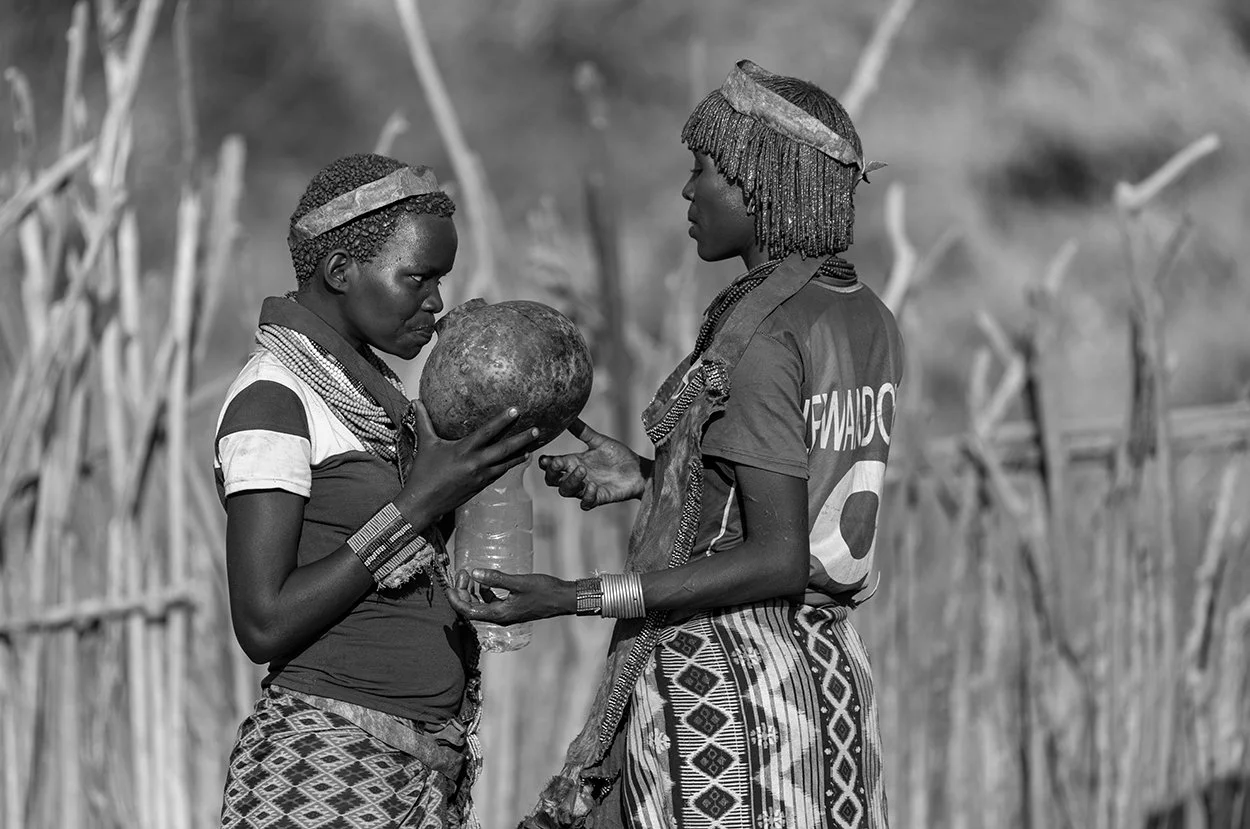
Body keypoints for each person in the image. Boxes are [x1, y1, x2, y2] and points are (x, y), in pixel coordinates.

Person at [449, 60, 903, 828]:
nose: (688, 192)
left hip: (730, 701)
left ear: (758, 181)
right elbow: (785, 485)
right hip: (825, 689)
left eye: (702, 170)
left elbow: (775, 554)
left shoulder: (761, 332)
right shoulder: (862, 314)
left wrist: (575, 595)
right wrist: (651, 475)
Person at [214, 153, 539, 829]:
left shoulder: (382, 397)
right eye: (418, 278)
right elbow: (262, 621)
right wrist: (417, 504)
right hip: (318, 777)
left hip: (415, 776)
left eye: (441, 280)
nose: (437, 301)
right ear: (340, 272)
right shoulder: (274, 398)